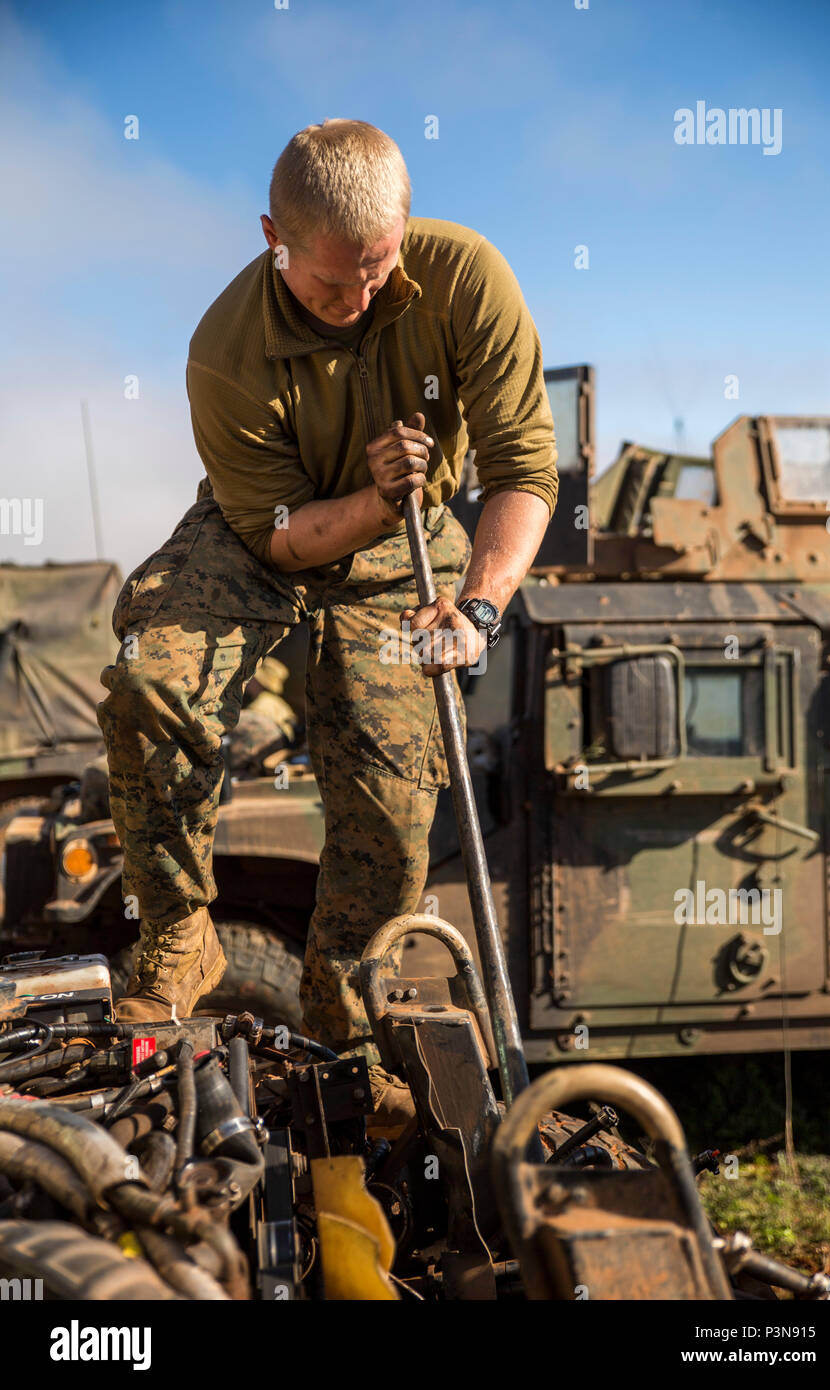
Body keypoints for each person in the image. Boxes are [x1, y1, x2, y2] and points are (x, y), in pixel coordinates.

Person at [97, 120, 557, 1110]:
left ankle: (341, 1042)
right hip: (260, 528)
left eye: (374, 273)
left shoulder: (469, 277)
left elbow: (522, 472)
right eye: (324, 286)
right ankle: (180, 928)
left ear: (402, 225)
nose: (352, 304)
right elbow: (280, 539)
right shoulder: (223, 347)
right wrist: (373, 494)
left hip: (406, 554)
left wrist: (475, 607)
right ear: (274, 235)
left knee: (392, 817)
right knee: (148, 682)